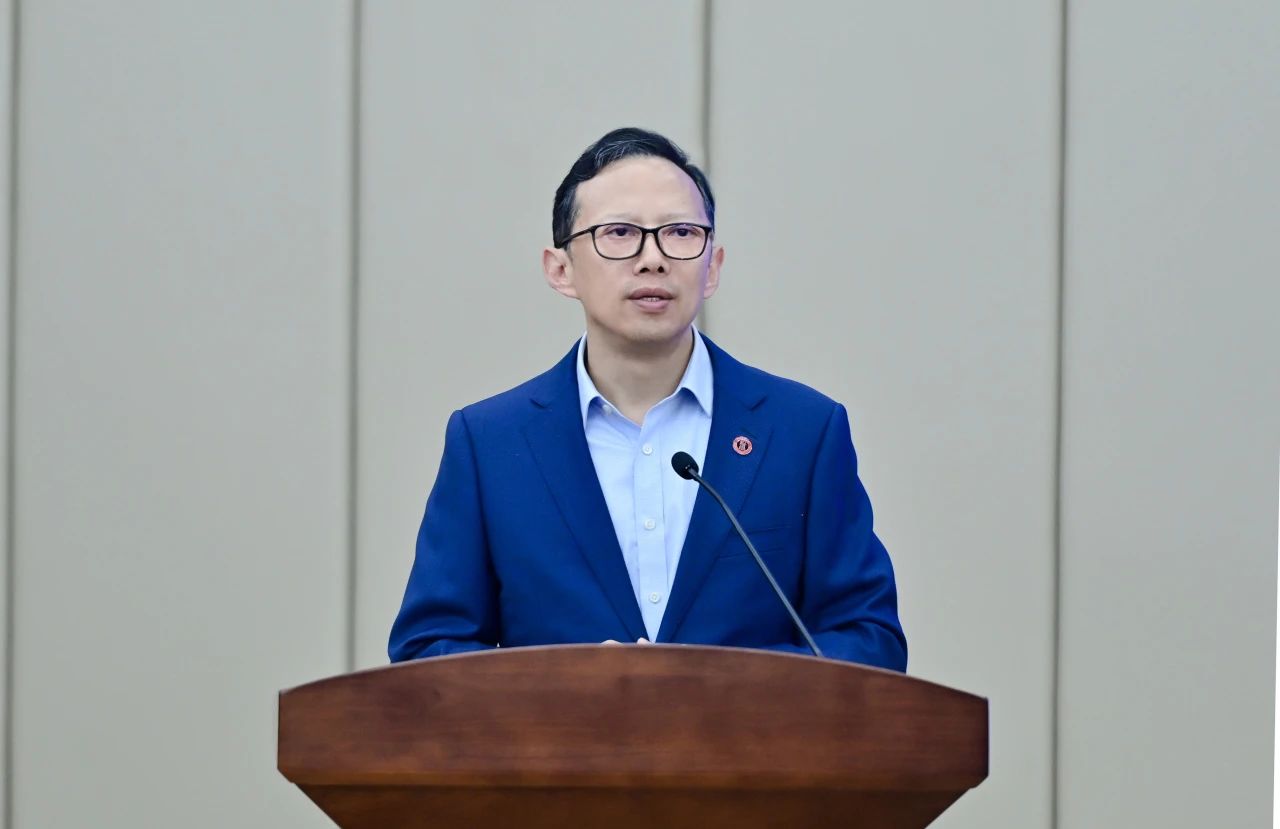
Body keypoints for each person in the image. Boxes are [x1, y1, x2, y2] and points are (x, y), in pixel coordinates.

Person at [388, 127, 906, 670]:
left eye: (680, 233)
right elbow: (429, 651)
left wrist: (711, 683)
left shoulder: (802, 431)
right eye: (619, 233)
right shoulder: (489, 443)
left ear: (713, 267)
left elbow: (869, 640)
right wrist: (565, 686)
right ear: (561, 269)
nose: (653, 259)